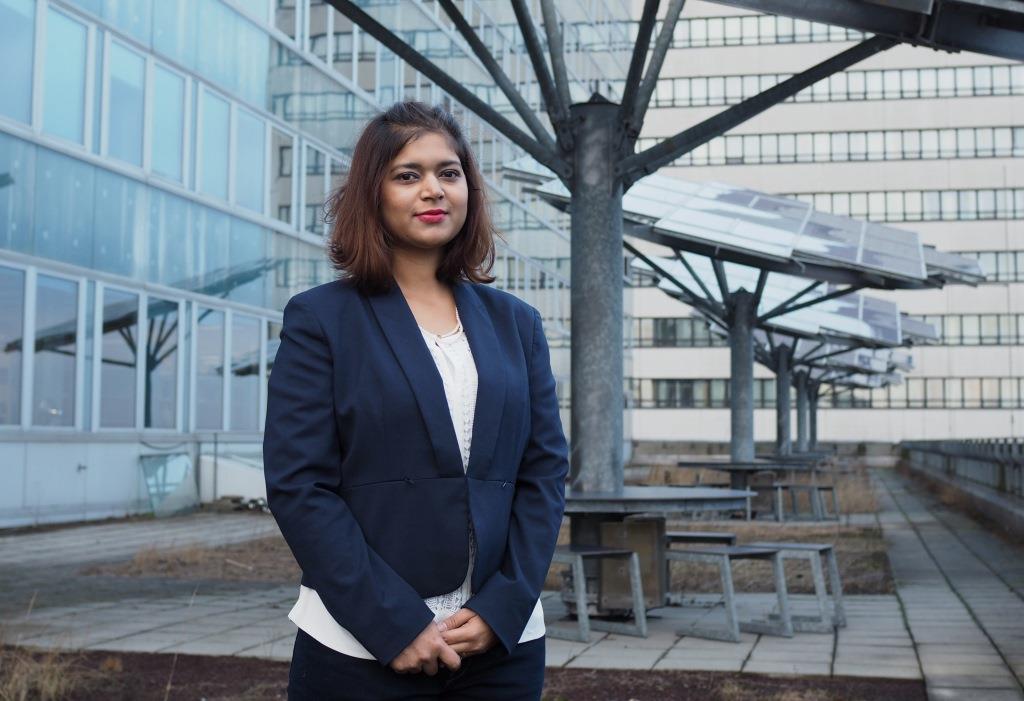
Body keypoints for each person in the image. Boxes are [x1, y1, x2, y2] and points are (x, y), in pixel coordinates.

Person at [263, 101, 569, 700]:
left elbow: (544, 473)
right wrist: (393, 623)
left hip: (500, 646)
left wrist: (505, 605)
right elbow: (300, 485)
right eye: (408, 175)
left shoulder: (518, 325)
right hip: (359, 645)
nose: (433, 189)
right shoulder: (322, 320)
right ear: (372, 193)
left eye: (449, 173)